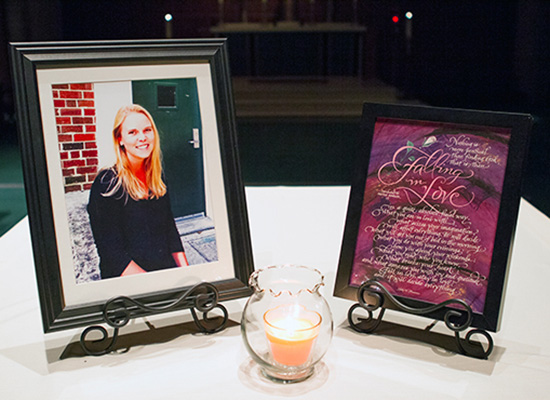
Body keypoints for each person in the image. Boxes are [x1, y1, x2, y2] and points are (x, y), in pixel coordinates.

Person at [87, 104, 188, 279]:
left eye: (147, 130)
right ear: (120, 139)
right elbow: (113, 255)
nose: (142, 137)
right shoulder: (107, 183)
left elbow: (170, 233)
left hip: (164, 271)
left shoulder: (158, 178)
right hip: (129, 281)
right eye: (132, 132)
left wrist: (188, 276)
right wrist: (156, 286)